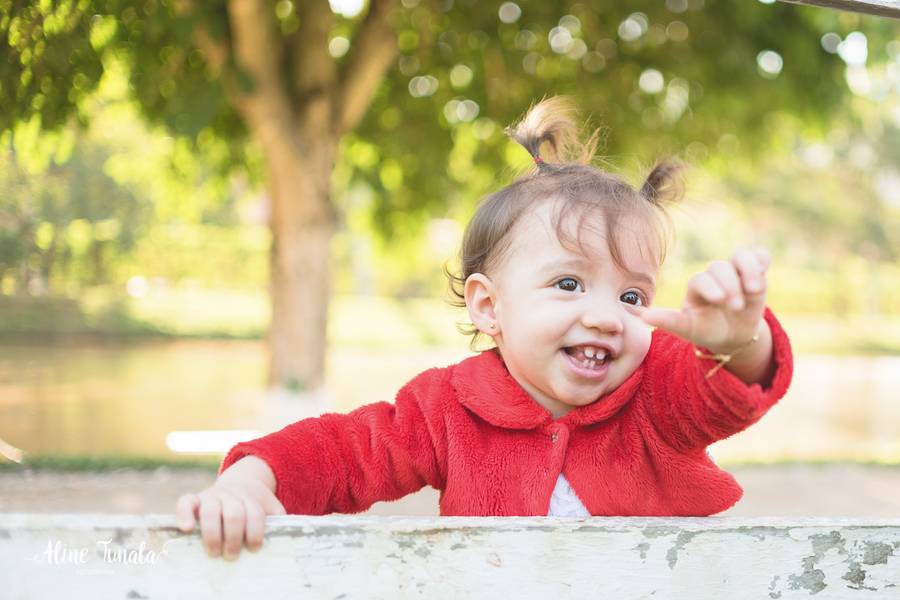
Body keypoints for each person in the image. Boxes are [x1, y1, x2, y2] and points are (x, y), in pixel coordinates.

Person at [175, 96, 793, 560]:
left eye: (632, 294)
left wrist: (737, 339)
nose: (608, 316)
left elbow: (725, 393)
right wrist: (254, 478)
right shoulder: (448, 405)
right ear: (488, 306)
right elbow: (346, 453)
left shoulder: (657, 388)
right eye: (570, 284)